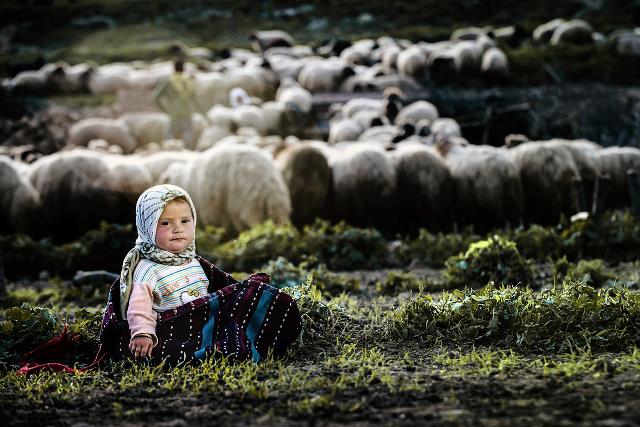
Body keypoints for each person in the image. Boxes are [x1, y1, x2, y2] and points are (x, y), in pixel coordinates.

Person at [116, 184, 301, 363]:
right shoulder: (148, 269)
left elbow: (215, 294)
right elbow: (139, 307)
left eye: (185, 221)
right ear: (147, 227)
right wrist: (142, 333)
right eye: (166, 223)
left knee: (245, 301)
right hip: (173, 331)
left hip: (204, 325)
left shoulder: (192, 260)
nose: (178, 228)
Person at [153, 60, 203, 149]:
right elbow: (195, 100)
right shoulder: (188, 81)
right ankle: (187, 154)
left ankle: (169, 154)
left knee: (170, 136)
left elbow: (155, 97)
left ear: (173, 68)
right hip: (187, 112)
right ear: (184, 69)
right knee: (188, 135)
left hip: (173, 112)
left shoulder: (168, 81)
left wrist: (165, 110)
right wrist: (205, 114)